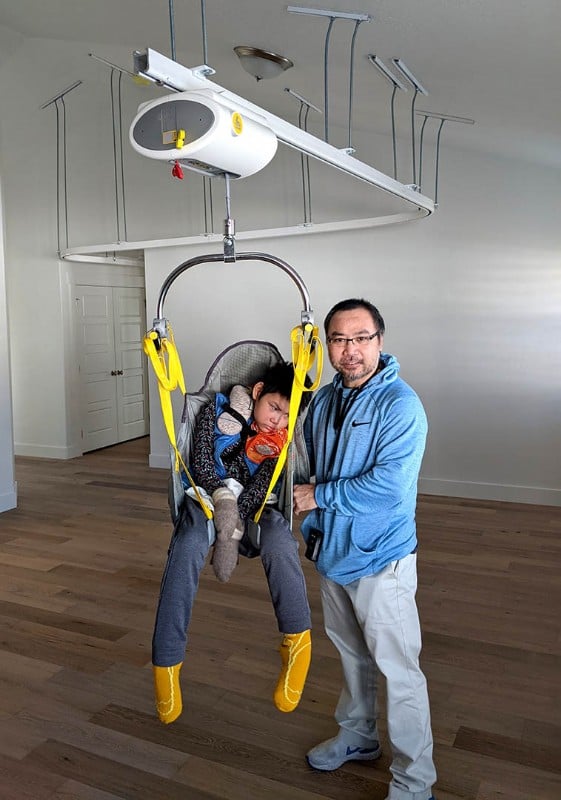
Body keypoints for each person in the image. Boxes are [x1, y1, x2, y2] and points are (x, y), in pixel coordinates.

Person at [293, 299, 437, 800]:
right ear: (327, 344)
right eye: (339, 339)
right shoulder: (327, 400)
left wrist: (317, 496)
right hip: (332, 552)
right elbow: (304, 462)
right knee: (352, 656)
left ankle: (415, 782)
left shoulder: (400, 405)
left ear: (380, 340)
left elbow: (388, 488)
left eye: (361, 338)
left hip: (382, 558)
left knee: (399, 672)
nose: (350, 350)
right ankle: (358, 737)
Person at [152, 361, 312, 724]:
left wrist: (238, 511)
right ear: (257, 392)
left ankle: (297, 643)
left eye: (287, 415)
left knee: (280, 543)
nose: (277, 420)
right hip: (205, 498)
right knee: (189, 543)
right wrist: (222, 502)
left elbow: (264, 485)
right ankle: (167, 662)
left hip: (256, 507)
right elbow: (202, 462)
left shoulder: (279, 440)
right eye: (274, 408)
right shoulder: (217, 411)